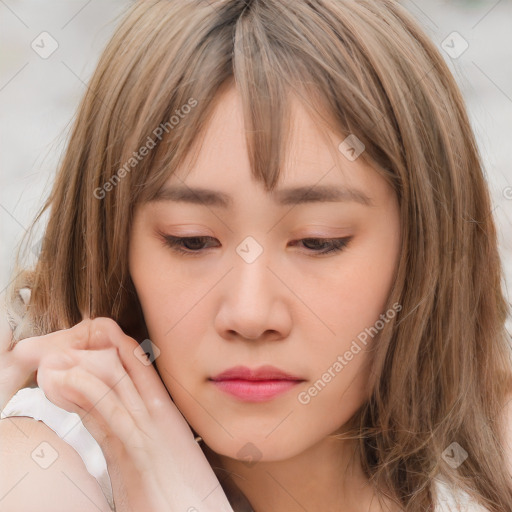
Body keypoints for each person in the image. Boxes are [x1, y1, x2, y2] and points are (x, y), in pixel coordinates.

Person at [1, 0, 511, 511]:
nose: (250, 314)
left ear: (426, 247)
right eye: (191, 240)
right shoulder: (40, 472)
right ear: (113, 247)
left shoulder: (489, 462)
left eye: (318, 240)